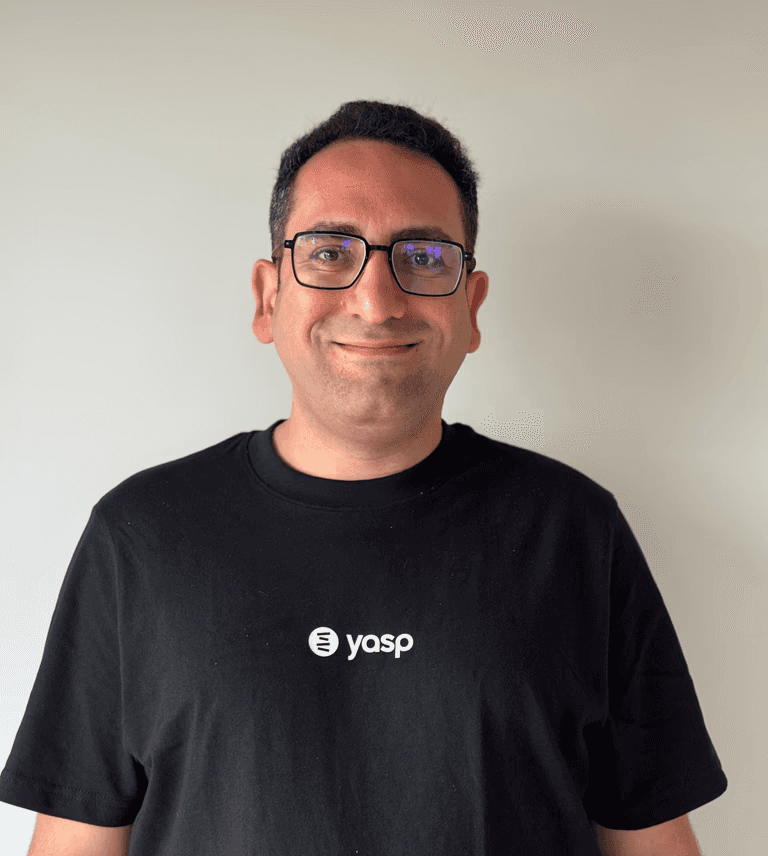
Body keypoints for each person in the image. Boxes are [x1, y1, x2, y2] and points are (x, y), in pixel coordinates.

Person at [0, 100, 726, 855]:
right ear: (267, 296)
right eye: (328, 251)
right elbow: (77, 840)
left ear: (471, 309)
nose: (376, 303)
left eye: (424, 258)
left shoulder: (574, 531)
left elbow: (650, 840)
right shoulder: (140, 536)